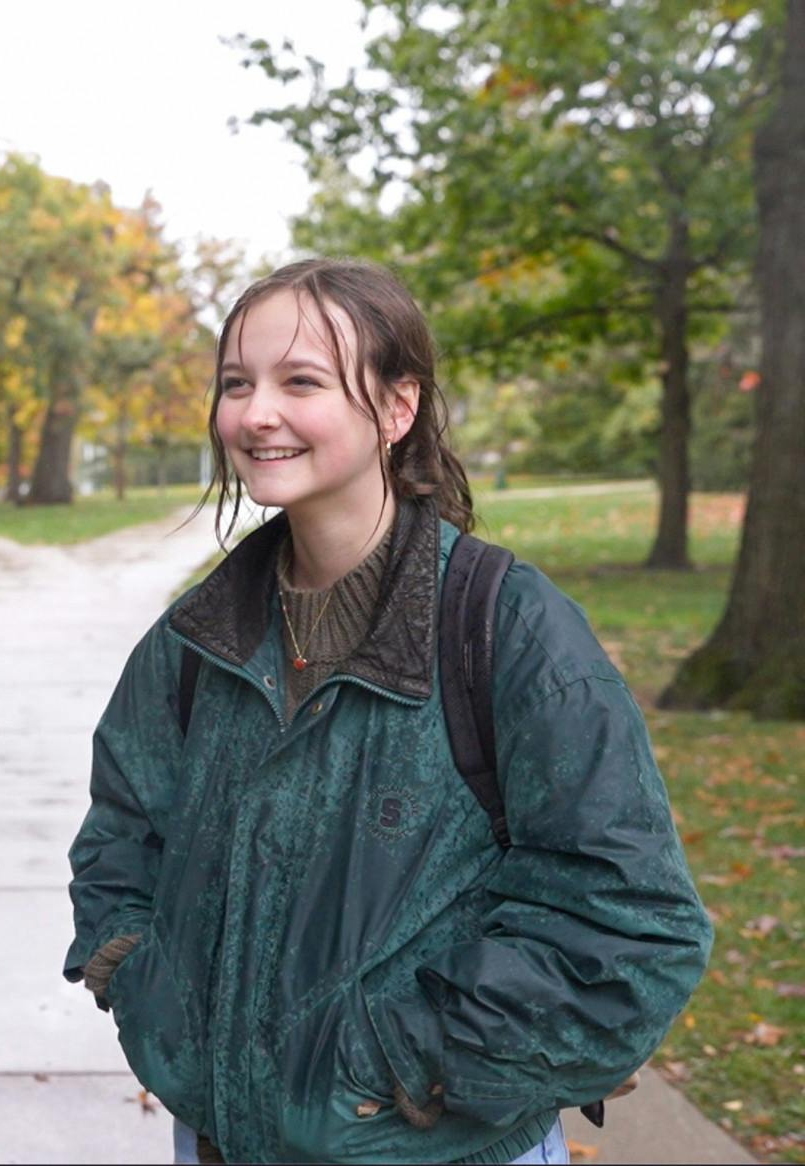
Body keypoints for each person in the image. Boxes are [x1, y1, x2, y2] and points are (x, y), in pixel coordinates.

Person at [64, 258, 711, 1164]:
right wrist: (139, 977)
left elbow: (629, 921)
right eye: (236, 384)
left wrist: (399, 1069)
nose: (256, 414)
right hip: (216, 1142)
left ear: (397, 408)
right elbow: (122, 836)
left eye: (302, 382)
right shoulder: (194, 639)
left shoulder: (507, 627)